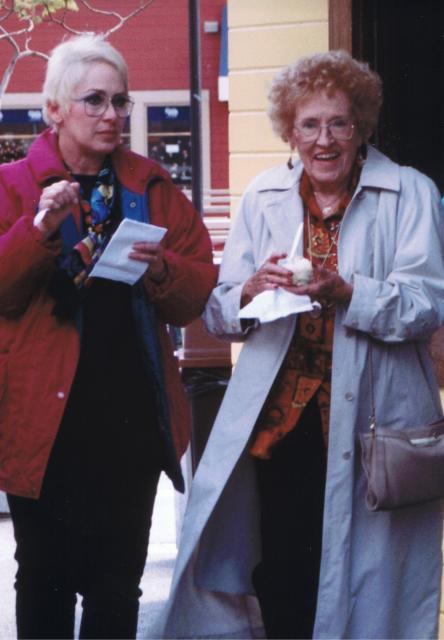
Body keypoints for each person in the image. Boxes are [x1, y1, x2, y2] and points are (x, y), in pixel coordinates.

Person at [161, 50, 444, 639]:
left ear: (361, 127)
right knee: (283, 572)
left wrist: (348, 291)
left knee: (369, 586)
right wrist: (248, 292)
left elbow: (426, 305)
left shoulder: (410, 192)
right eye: (309, 124)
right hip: (281, 428)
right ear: (290, 131)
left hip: (374, 425)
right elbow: (219, 311)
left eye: (339, 122)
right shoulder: (263, 195)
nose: (324, 139)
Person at [0, 33, 217, 639]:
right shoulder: (13, 185)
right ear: (54, 110)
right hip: (44, 421)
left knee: (117, 582)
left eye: (121, 101)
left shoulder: (150, 185)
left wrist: (160, 268)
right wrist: (39, 228)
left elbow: (197, 289)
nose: (112, 115)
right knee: (42, 575)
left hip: (130, 419)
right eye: (93, 100)